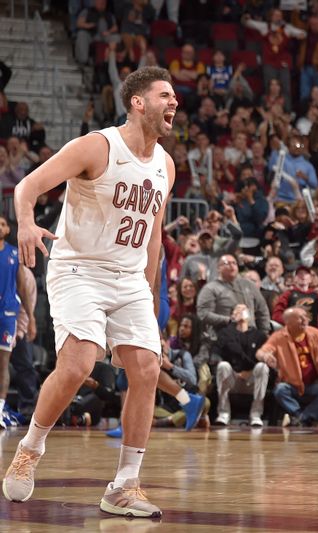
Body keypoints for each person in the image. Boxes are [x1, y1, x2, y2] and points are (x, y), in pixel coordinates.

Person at [3, 67, 177, 517]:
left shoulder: (166, 165)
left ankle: (124, 486)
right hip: (78, 268)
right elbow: (27, 186)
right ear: (138, 102)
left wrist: (152, 295)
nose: (174, 102)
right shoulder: (98, 146)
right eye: (164, 95)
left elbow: (154, 234)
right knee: (79, 361)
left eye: (174, 96)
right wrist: (25, 221)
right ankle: (31, 447)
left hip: (130, 279)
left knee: (146, 368)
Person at [261, 307, 318, 426]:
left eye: (305, 316)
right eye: (300, 318)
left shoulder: (315, 333)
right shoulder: (278, 337)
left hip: (312, 384)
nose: (305, 320)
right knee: (280, 390)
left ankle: (303, 417)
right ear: (288, 322)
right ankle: (300, 415)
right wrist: (266, 356)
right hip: (290, 385)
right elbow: (261, 352)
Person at [0, 216, 35, 428]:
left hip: (8, 315)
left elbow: (23, 288)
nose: (1, 226)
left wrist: (31, 320)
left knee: (4, 363)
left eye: (3, 224)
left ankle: (0, 408)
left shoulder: (14, 254)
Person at [214, 304, 269, 426]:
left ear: (250, 315)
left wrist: (248, 372)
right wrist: (237, 372)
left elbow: (264, 357)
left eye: (243, 309)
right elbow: (216, 354)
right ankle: (223, 413)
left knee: (263, 367)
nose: (240, 311)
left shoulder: (259, 335)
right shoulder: (225, 333)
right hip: (232, 378)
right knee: (222, 366)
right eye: (237, 310)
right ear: (232, 315)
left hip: (251, 379)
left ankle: (256, 414)